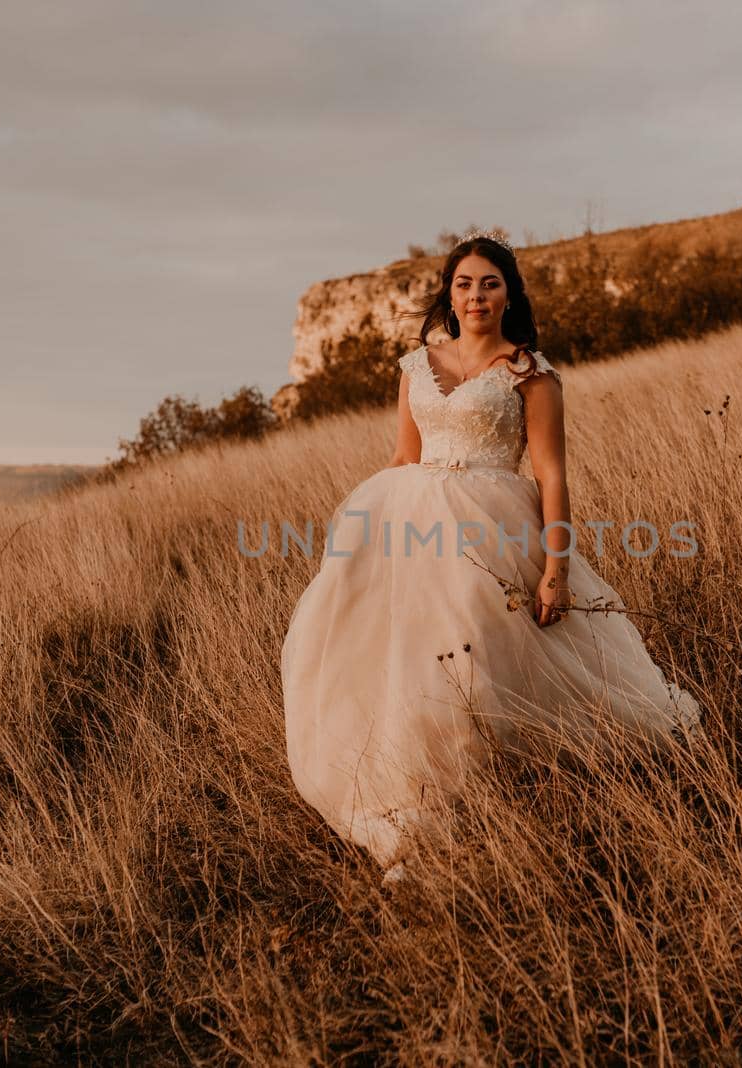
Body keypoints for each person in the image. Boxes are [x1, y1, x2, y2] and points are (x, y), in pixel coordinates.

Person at [279, 229, 702, 884]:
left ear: (509, 296)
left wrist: (556, 569)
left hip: (490, 528)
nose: (475, 295)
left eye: (489, 283)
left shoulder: (530, 373)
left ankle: (484, 793)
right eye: (463, 283)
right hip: (409, 523)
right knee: (403, 661)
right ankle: (416, 813)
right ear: (449, 295)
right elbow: (402, 457)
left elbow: (552, 475)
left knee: (475, 654)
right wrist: (360, 532)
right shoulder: (417, 365)